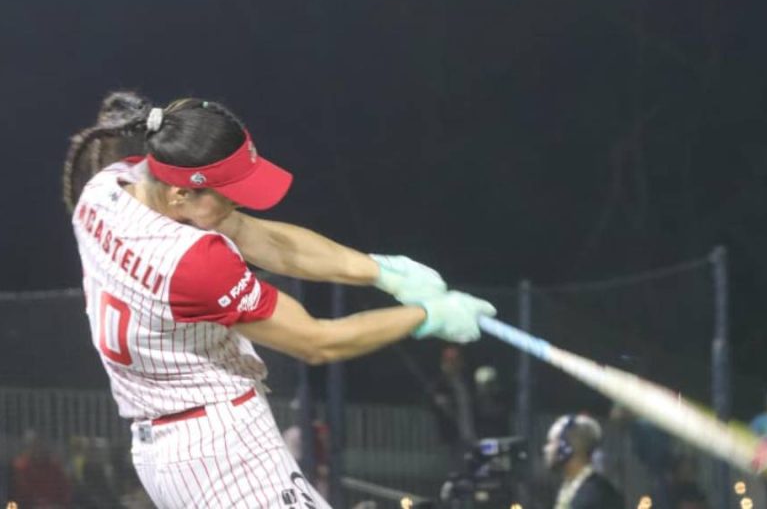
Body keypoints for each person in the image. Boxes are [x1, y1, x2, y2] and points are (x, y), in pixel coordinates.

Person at [63, 95, 497, 508]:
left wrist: (382, 272)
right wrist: (425, 316)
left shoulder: (106, 188)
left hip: (168, 450)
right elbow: (316, 341)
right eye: (228, 193)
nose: (237, 202)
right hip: (221, 453)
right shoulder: (193, 262)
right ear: (180, 195)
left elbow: (260, 237)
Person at [542, 414, 623, 509]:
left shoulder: (597, 496)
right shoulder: (571, 487)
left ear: (566, 448)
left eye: (551, 442)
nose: (546, 449)